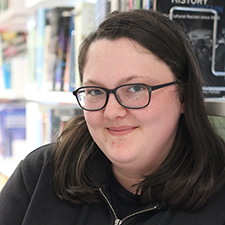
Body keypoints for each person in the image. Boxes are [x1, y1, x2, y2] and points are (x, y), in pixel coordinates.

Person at [1, 9, 225, 225]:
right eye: (96, 92)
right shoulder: (41, 174)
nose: (111, 112)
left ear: (183, 95)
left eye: (136, 89)